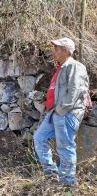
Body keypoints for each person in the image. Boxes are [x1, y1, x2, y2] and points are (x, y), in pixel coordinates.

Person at [33, 38, 89, 186]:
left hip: (66, 113)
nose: (54, 52)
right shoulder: (62, 67)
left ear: (66, 50)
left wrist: (60, 110)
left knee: (65, 147)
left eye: (57, 49)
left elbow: (74, 91)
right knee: (39, 138)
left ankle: (67, 184)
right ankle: (51, 174)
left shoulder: (75, 66)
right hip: (55, 113)